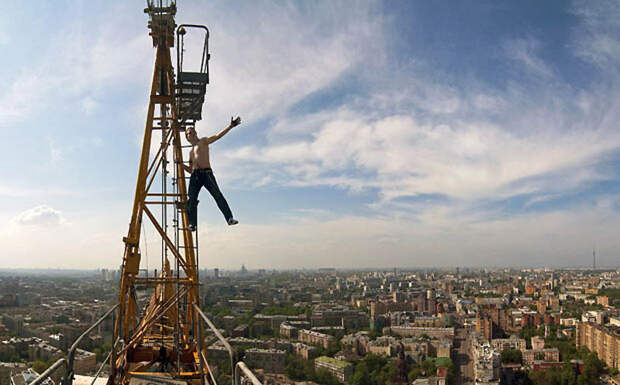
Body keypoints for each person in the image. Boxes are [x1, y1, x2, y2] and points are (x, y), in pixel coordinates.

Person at [182, 116, 241, 230]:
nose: (191, 134)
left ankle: (229, 218)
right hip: (195, 176)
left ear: (196, 133)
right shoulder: (190, 152)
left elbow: (217, 136)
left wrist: (230, 126)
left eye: (192, 131)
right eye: (189, 133)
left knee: (217, 195)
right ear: (187, 137)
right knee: (191, 199)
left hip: (206, 173)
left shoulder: (203, 141)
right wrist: (181, 165)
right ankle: (192, 224)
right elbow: (190, 170)